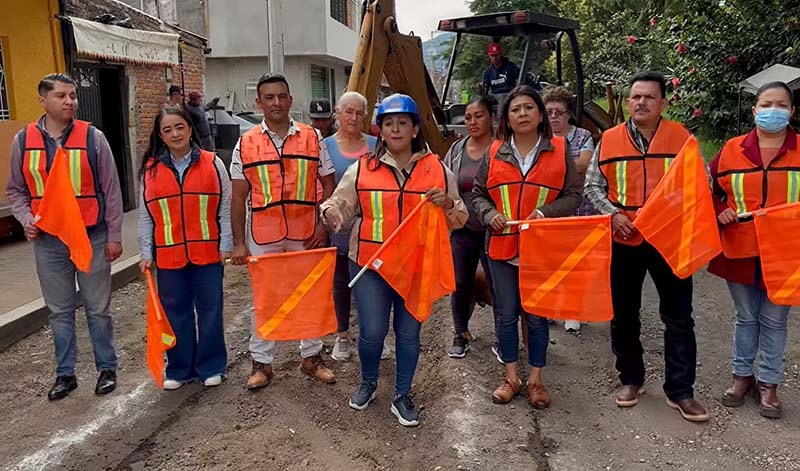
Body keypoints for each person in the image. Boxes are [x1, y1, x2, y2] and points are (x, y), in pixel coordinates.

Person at [320, 94, 467, 426]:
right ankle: (368, 382)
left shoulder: (438, 171)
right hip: (371, 262)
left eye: (403, 123)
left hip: (416, 264)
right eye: (389, 124)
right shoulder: (363, 168)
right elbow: (340, 202)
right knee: (371, 331)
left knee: (408, 332)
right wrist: (331, 212)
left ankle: (402, 394)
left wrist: (445, 204)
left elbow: (459, 217)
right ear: (381, 130)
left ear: (415, 128)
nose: (396, 129)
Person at [584, 71, 709, 422]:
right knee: (624, 313)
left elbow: (701, 182)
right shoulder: (608, 139)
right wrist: (613, 215)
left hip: (669, 240)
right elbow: (593, 186)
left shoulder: (682, 139)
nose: (640, 102)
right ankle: (631, 379)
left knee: (679, 315)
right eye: (635, 97)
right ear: (627, 102)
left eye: (649, 97)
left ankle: (681, 391)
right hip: (624, 238)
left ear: (663, 103)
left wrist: (673, 214)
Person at [5, 73, 123, 400]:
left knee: (97, 308)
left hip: (91, 236)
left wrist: (115, 235)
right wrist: (26, 219)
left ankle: (107, 368)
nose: (70, 101)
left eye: (72, 95)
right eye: (61, 96)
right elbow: (16, 190)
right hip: (49, 241)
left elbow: (111, 190)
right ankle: (65, 374)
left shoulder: (93, 138)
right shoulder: (23, 141)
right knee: (59, 311)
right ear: (42, 100)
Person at [472, 85, 582, 409]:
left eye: (528, 108)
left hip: (540, 250)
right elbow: (478, 194)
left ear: (540, 115)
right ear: (507, 117)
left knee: (535, 317)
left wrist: (545, 213)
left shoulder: (559, 150)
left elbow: (573, 195)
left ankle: (536, 380)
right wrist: (490, 214)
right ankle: (511, 378)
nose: (522, 113)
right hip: (502, 250)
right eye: (515, 109)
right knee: (505, 315)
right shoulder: (494, 152)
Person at [229, 73, 337, 390]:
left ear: (291, 100)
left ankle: (312, 357)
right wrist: (238, 243)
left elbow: (328, 183)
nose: (277, 103)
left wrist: (322, 222)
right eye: (270, 97)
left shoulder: (313, 137)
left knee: (310, 295)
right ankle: (262, 363)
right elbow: (238, 196)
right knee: (265, 298)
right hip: (263, 235)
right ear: (258, 102)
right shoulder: (245, 143)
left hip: (306, 231)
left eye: (282, 96)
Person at [709, 81, 798, 419]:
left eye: (780, 105)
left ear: (791, 111)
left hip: (788, 252)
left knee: (775, 320)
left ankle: (769, 384)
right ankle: (741, 377)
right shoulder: (732, 149)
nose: (773, 110)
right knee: (746, 317)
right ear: (754, 110)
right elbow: (707, 190)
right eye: (766, 104)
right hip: (740, 246)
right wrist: (720, 212)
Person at [137, 107, 231, 389]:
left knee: (210, 310)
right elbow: (145, 215)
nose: (175, 134)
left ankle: (212, 366)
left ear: (190, 129)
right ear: (160, 136)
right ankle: (180, 368)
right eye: (167, 130)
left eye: (180, 127)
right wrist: (145, 252)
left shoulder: (213, 164)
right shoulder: (151, 171)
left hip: (208, 254)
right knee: (175, 313)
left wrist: (225, 244)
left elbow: (224, 208)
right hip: (169, 256)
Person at [321, 91, 388, 362]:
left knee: (373, 284)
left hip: (372, 229)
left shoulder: (376, 144)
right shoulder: (324, 146)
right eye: (348, 111)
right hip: (338, 228)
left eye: (359, 113)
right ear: (337, 113)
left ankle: (375, 337)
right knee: (340, 284)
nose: (353, 117)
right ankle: (342, 337)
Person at [442, 96, 499, 358]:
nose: (473, 122)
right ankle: (460, 332)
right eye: (468, 117)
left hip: (495, 228)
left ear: (492, 117)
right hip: (463, 227)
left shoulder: (503, 149)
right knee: (460, 282)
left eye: (479, 116)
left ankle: (504, 337)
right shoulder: (456, 150)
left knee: (499, 284)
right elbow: (444, 180)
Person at [542, 86, 596, 333]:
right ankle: (552, 309)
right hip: (550, 209)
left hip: (580, 208)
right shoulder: (540, 138)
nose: (553, 116)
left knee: (576, 263)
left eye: (558, 112)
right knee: (551, 261)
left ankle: (573, 312)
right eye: (549, 112)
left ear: (568, 114)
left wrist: (552, 169)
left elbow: (584, 164)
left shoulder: (583, 136)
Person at [480, 42, 520, 110]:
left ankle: (500, 120)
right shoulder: (488, 72)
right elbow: (485, 88)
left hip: (508, 94)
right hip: (494, 95)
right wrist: (482, 88)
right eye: (492, 56)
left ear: (500, 54)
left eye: (496, 55)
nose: (495, 58)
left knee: (502, 98)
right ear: (489, 56)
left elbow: (521, 78)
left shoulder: (510, 67)